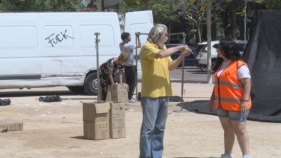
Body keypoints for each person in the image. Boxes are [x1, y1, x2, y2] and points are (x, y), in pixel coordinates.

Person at [139, 24, 192, 158]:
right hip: (151, 94)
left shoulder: (163, 48)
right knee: (148, 129)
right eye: (165, 35)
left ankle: (156, 155)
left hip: (164, 94)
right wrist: (180, 46)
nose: (167, 38)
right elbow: (160, 55)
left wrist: (182, 56)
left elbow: (171, 66)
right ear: (157, 35)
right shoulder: (147, 47)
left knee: (160, 128)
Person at [209, 38, 252, 158]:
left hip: (237, 104)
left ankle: (246, 155)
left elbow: (247, 83)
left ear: (227, 50)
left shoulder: (240, 65)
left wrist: (245, 101)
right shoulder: (220, 64)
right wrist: (212, 98)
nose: (217, 50)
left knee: (240, 130)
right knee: (227, 129)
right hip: (222, 105)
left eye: (219, 48)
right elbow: (218, 84)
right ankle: (227, 154)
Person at [119, 32, 141, 102]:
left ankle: (128, 96)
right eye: (129, 37)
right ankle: (130, 97)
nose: (130, 38)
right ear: (126, 39)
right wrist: (138, 37)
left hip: (126, 65)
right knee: (133, 82)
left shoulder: (121, 45)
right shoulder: (127, 46)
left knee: (128, 81)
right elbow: (139, 45)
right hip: (131, 65)